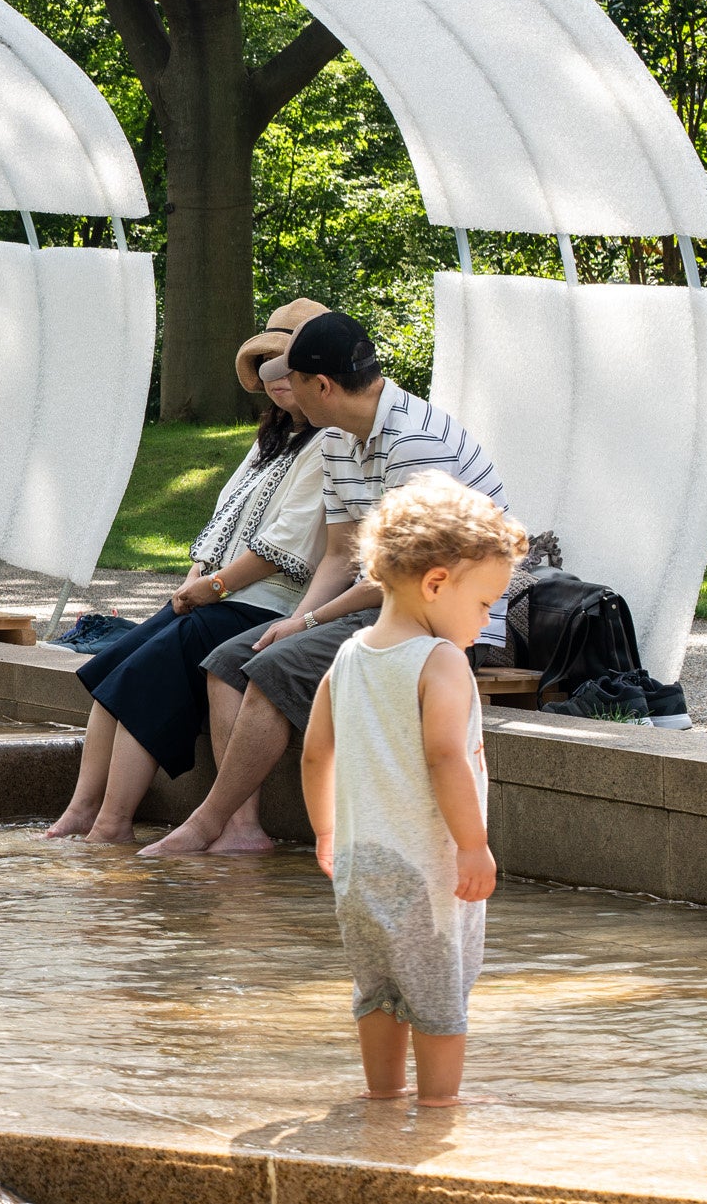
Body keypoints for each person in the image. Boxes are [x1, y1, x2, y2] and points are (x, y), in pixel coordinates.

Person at [144, 309, 511, 858]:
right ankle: (241, 830)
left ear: (323, 385)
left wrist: (309, 622)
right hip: (383, 605)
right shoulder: (339, 437)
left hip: (445, 621)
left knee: (271, 670)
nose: (280, 396)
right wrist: (297, 621)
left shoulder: (414, 441)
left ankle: (204, 824)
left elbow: (400, 575)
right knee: (226, 664)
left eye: (290, 385)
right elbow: (343, 552)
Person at [48, 312, 330, 843]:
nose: (273, 375)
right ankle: (84, 809)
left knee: (148, 669)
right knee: (119, 659)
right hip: (218, 590)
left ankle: (112, 823)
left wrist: (213, 587)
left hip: (268, 601)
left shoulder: (328, 441)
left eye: (283, 364)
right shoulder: (273, 435)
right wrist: (195, 578)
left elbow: (287, 545)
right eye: (263, 364)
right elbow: (224, 516)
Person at [302, 476, 525, 1107]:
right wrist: (474, 845)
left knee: (377, 991)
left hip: (359, 866)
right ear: (436, 583)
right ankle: (439, 1112)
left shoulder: (347, 655)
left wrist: (326, 830)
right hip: (428, 873)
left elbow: (317, 751)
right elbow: (446, 755)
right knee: (439, 996)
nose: (485, 623)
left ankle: (382, 1099)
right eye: (485, 604)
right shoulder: (440, 661)